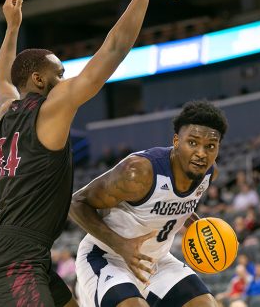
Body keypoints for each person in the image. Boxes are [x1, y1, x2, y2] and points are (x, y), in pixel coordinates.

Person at [0, 0, 173, 306]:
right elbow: (114, 49)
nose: (65, 80)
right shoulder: (50, 107)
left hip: (24, 252)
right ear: (38, 80)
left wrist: (11, 28)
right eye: (60, 73)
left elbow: (2, 80)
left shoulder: (7, 110)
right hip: (14, 258)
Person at [70, 101, 228, 306]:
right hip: (107, 257)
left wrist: (189, 218)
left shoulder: (208, 173)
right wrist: (121, 245)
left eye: (210, 147)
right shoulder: (138, 172)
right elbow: (77, 203)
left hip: (157, 261)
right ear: (176, 141)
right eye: (193, 142)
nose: (201, 153)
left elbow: (166, 201)